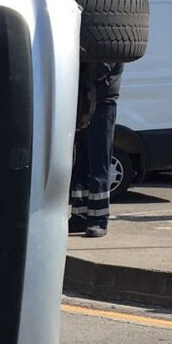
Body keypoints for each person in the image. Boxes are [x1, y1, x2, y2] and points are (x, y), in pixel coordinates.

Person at [69, 62, 123, 239]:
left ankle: (98, 220)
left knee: (99, 163)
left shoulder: (111, 38)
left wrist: (78, 67)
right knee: (81, 162)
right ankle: (79, 215)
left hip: (102, 102)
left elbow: (99, 70)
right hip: (84, 101)